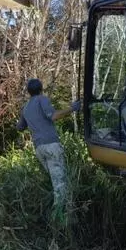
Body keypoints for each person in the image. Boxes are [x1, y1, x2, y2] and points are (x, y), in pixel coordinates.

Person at [17, 78, 81, 208]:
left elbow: (19, 127)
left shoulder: (26, 107)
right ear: (41, 89)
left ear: (29, 92)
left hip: (39, 149)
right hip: (51, 145)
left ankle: (61, 212)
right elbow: (53, 116)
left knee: (55, 180)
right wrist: (72, 108)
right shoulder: (42, 99)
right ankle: (61, 217)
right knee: (60, 184)